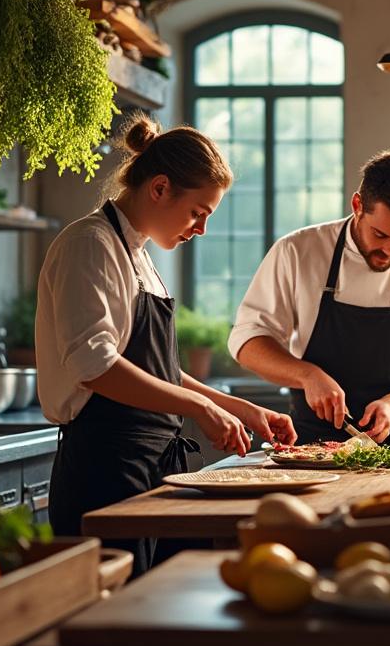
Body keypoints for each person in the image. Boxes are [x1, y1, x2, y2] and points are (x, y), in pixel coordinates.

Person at [38, 114, 296, 574]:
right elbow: (94, 365)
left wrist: (235, 407)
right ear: (159, 188)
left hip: (150, 467)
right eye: (198, 212)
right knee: (115, 628)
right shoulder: (90, 245)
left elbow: (157, 370)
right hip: (103, 470)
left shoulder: (138, 255)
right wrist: (199, 409)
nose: (201, 229)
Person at [229, 150, 390, 446]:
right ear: (357, 205)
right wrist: (307, 376)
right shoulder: (297, 251)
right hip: (308, 445)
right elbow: (248, 341)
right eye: (380, 235)